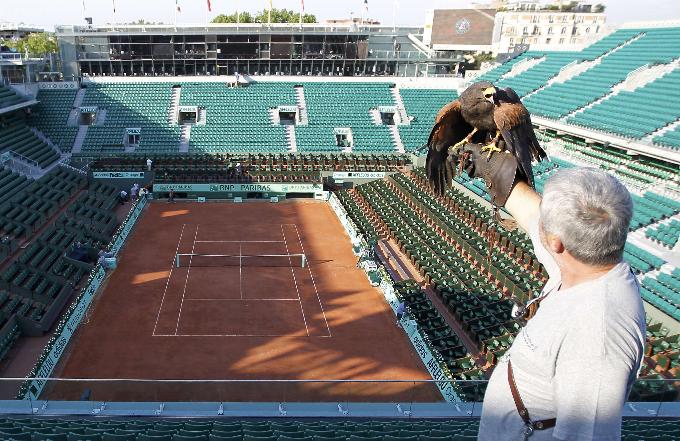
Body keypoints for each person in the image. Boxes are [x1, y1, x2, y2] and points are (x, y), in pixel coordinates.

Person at [459, 145, 646, 441]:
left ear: (557, 243)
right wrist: (497, 172)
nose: (540, 222)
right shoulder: (586, 261)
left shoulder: (599, 332)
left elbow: (588, 436)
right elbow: (534, 215)